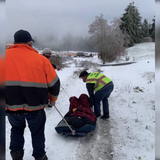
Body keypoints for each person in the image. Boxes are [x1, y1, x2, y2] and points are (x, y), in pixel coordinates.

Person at [6, 29, 60, 160]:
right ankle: (40, 156)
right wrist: (52, 100)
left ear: (14, 42)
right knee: (37, 132)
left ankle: (16, 155)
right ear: (30, 43)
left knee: (16, 129)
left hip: (11, 106)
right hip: (35, 107)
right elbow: (54, 83)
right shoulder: (42, 60)